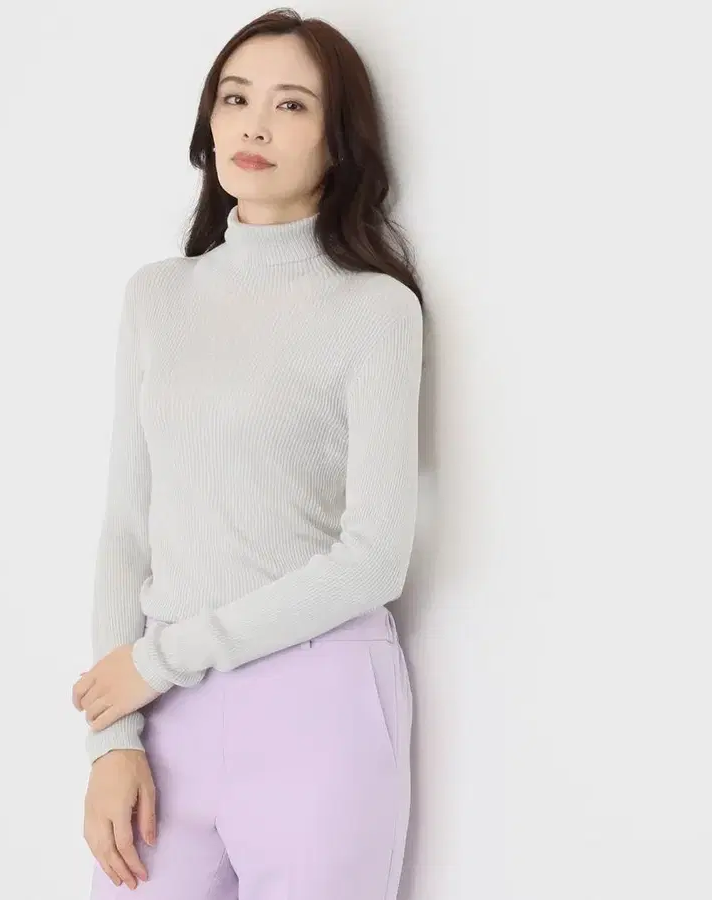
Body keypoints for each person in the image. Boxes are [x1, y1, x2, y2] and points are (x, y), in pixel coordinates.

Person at [71, 8, 426, 898]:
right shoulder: (157, 298)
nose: (254, 125)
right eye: (235, 99)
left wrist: (160, 660)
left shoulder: (374, 312)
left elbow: (373, 558)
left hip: (316, 702)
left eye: (291, 104)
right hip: (163, 720)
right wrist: (112, 741)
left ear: (337, 143)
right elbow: (126, 527)